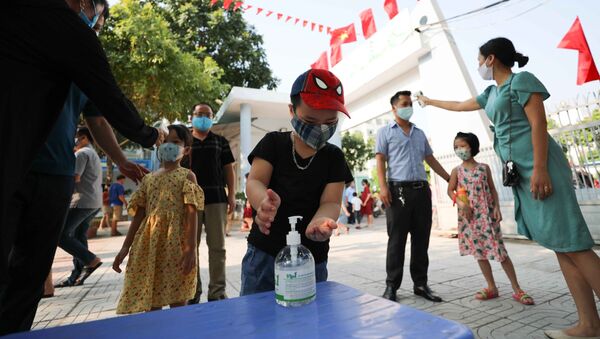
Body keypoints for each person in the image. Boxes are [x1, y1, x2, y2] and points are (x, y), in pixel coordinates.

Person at [418, 37, 600, 339]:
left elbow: (538, 124)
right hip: (522, 172)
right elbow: (460, 105)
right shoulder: (491, 93)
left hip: (541, 168)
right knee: (562, 246)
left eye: (479, 60)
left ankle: (591, 324)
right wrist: (430, 101)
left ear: (491, 59)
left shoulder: (521, 81)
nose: (478, 65)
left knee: (574, 244)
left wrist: (540, 168)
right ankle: (590, 324)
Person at [0, 4, 162, 334]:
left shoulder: (75, 52)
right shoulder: (64, 29)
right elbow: (116, 103)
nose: (95, 21)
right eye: (97, 12)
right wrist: (149, 135)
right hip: (15, 162)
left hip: (55, 172)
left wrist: (119, 160)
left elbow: (98, 116)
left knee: (30, 273)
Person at [241, 69, 353, 296]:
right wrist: (263, 203)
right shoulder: (273, 143)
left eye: (330, 121)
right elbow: (255, 181)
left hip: (313, 256)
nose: (321, 128)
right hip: (265, 253)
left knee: (309, 324)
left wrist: (323, 219)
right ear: (292, 111)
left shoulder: (334, 157)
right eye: (311, 120)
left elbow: (331, 201)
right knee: (257, 323)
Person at [112, 125, 204, 314]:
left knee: (178, 300)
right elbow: (139, 216)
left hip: (175, 248)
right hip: (149, 247)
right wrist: (125, 247)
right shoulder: (148, 179)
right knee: (151, 302)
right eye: (165, 141)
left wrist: (190, 250)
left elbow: (191, 215)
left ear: (186, 150)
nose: (169, 145)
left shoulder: (187, 176)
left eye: (176, 142)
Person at [376, 90, 450, 303]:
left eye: (411, 103)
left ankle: (420, 284)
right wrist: (383, 187)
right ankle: (391, 286)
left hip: (421, 191)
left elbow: (430, 159)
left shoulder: (419, 133)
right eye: (405, 103)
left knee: (421, 239)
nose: (409, 106)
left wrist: (449, 180)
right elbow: (380, 160)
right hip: (397, 192)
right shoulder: (385, 132)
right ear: (394, 108)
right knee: (397, 240)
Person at [448, 132, 533, 305]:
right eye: (456, 147)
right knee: (479, 253)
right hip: (469, 218)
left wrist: (497, 208)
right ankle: (491, 287)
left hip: (487, 216)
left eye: (462, 146)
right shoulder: (456, 171)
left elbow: (492, 189)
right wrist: (460, 203)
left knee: (500, 252)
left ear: (472, 147)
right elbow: (450, 190)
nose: (459, 150)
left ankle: (517, 289)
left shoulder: (484, 167)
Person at [188, 103, 235, 303]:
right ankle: (192, 291)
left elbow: (228, 170)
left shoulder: (220, 141)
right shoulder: (184, 141)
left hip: (216, 199)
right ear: (192, 117)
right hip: (189, 201)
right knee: (190, 247)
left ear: (212, 117)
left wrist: (231, 194)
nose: (203, 118)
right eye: (200, 114)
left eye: (207, 115)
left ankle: (217, 292)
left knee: (218, 247)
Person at [55, 127, 104, 288]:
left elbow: (74, 178)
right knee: (78, 236)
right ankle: (77, 276)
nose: (73, 141)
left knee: (61, 235)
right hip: (93, 202)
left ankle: (91, 260)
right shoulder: (92, 153)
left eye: (75, 138)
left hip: (82, 202)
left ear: (83, 138)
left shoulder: (81, 154)